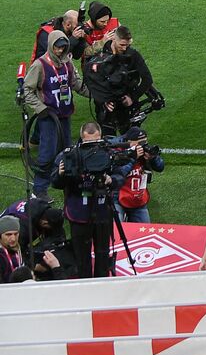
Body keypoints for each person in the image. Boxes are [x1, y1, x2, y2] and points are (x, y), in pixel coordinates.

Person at [54, 121, 133, 278]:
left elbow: (120, 176)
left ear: (101, 137)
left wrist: (111, 180)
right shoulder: (69, 155)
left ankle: (102, 285)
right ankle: (85, 287)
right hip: (78, 211)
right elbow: (55, 182)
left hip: (103, 209)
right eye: (88, 142)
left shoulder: (107, 152)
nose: (91, 145)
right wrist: (60, 174)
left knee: (103, 254)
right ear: (81, 138)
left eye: (95, 141)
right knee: (82, 256)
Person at [22, 31, 87, 200]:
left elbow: (76, 84)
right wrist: (40, 108)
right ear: (51, 46)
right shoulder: (40, 65)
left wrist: (97, 94)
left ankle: (68, 185)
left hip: (64, 115)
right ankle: (39, 190)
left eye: (63, 47)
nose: (60, 51)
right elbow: (26, 91)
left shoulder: (68, 63)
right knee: (47, 153)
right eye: (57, 47)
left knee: (67, 151)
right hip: (48, 117)